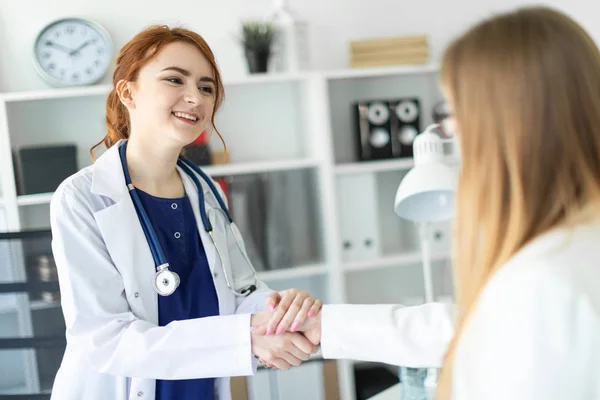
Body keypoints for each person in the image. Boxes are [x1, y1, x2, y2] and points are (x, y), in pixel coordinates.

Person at [260, 6, 600, 399]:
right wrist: (329, 326)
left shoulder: (546, 279)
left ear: (509, 127)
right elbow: (470, 324)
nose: (453, 138)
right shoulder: (567, 246)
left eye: (455, 115)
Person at [49, 25, 321, 400]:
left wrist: (279, 311)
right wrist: (246, 338)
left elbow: (241, 291)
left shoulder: (206, 194)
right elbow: (105, 339)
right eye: (175, 80)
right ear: (128, 92)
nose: (195, 97)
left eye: (206, 87)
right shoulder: (83, 199)